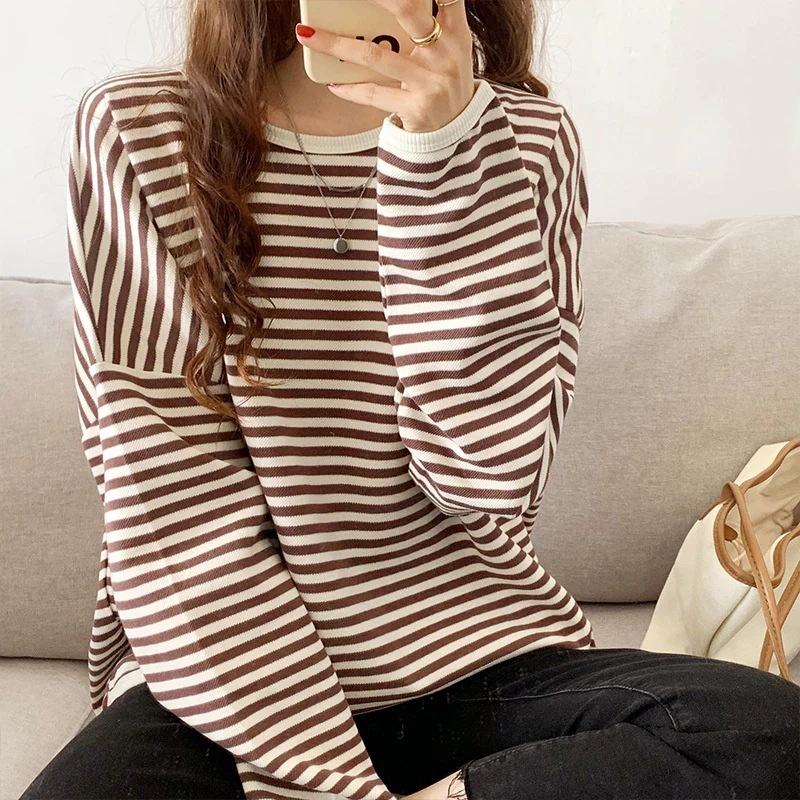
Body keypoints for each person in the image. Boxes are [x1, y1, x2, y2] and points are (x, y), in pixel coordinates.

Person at [20, 1, 800, 799]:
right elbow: (175, 514)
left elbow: (486, 480)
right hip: (228, 685)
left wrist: (443, 154)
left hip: (471, 654)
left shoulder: (529, 142)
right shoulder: (142, 133)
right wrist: (334, 785)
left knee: (768, 735)